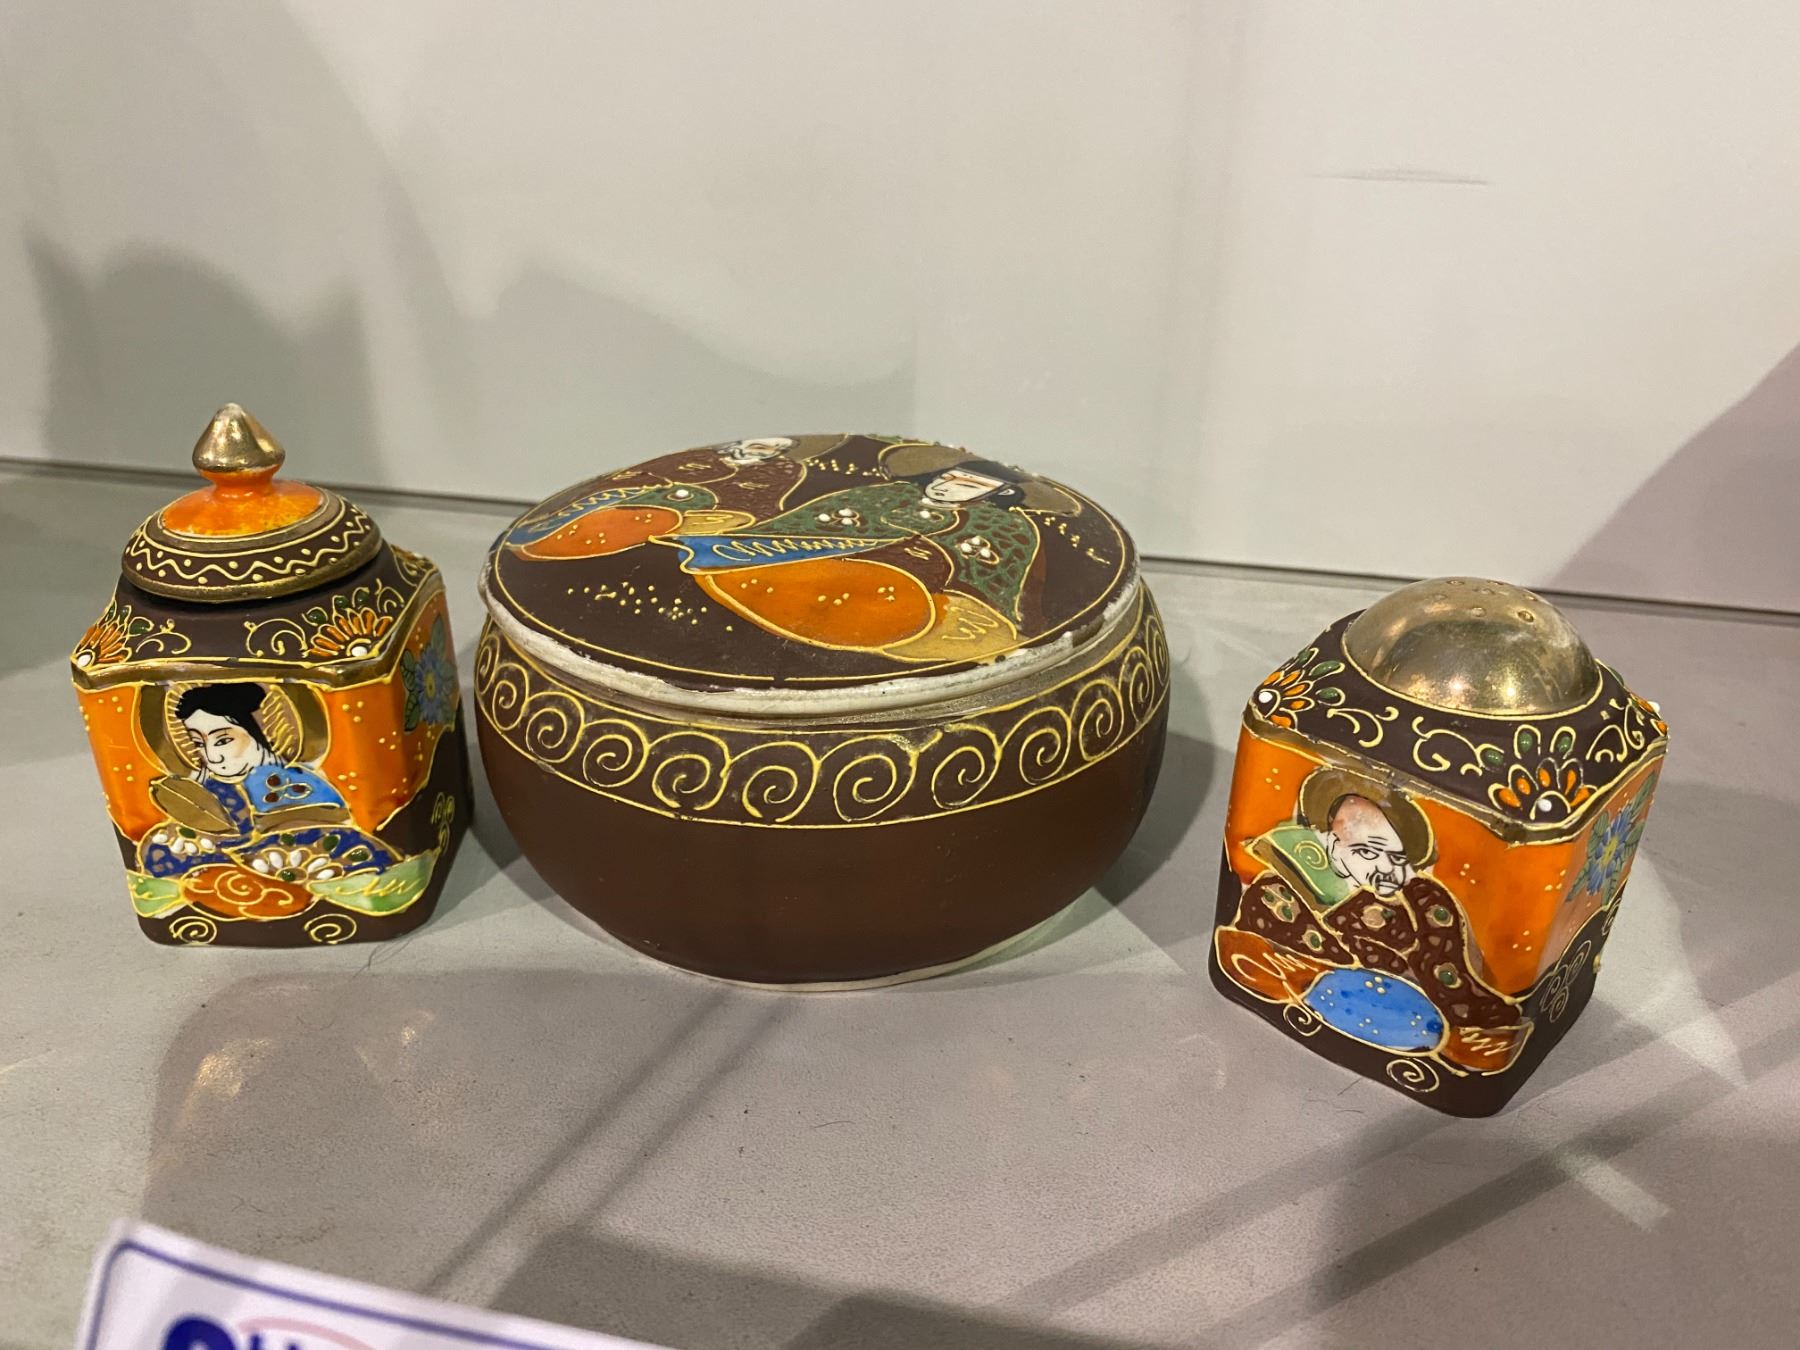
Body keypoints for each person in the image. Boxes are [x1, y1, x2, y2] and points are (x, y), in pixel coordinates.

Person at [1216, 771, 1529, 1073]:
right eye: (1367, 852)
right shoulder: (1277, 894)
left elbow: (1457, 982)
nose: (1385, 869)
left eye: (1396, 858)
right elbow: (1244, 955)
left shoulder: (1425, 903)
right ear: (1328, 845)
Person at [659, 447, 1076, 661]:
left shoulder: (1002, 527)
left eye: (968, 486)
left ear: (995, 495)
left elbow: (1001, 575)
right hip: (794, 568)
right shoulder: (882, 495)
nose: (950, 486)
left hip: (905, 599)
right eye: (949, 478)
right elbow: (808, 522)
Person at [140, 684, 394, 907]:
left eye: (223, 741)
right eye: (197, 743)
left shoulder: (291, 782)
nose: (212, 757)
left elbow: (321, 835)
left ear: (260, 731)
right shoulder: (209, 786)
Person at [502, 437, 808, 559]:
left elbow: (762, 502)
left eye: (770, 451)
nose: (759, 452)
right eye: (759, 447)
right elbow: (643, 479)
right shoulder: (702, 462)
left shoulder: (779, 471)